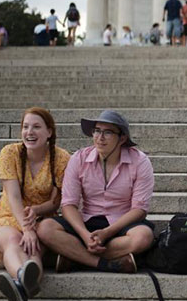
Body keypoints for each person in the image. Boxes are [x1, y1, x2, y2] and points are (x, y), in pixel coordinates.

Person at [36, 110, 155, 276]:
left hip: (121, 222)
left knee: (143, 237)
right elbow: (69, 204)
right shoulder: (79, 158)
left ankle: (75, 257)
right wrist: (85, 236)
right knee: (45, 228)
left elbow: (139, 209)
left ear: (122, 138)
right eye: (97, 131)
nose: (100, 137)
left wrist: (108, 232)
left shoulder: (140, 161)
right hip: (87, 220)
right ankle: (104, 263)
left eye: (108, 132)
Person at [0, 107, 71, 301]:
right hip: (8, 214)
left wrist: (37, 212)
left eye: (36, 127)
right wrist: (27, 228)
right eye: (25, 127)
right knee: (15, 240)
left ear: (49, 132)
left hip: (41, 219)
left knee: (33, 251)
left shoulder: (60, 158)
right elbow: (13, 197)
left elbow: (56, 201)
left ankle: (19, 287)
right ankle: (23, 277)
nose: (29, 132)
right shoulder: (10, 153)